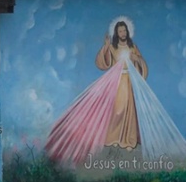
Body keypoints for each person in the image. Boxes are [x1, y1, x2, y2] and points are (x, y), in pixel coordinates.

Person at [44, 17, 186, 165]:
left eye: (124, 30)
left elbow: (141, 66)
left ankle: (127, 139)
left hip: (129, 82)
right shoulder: (113, 47)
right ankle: (114, 138)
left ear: (128, 32)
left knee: (129, 111)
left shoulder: (133, 47)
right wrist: (105, 46)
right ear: (116, 33)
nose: (123, 33)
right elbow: (103, 63)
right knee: (118, 109)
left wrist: (136, 58)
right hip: (116, 83)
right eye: (120, 31)